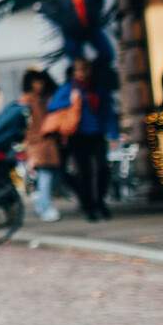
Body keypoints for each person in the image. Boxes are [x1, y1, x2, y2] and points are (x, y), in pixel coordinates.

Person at [49, 57, 117, 221]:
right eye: (79, 70)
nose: (82, 74)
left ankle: (100, 202)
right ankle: (89, 207)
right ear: (74, 73)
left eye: (85, 70)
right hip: (77, 135)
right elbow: (52, 106)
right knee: (84, 172)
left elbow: (108, 111)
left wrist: (113, 133)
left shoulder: (97, 89)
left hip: (97, 133)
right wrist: (71, 101)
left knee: (102, 168)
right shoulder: (69, 88)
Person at [20, 69, 62, 222]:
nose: (40, 85)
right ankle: (44, 206)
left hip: (43, 141)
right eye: (37, 82)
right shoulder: (29, 101)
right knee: (46, 175)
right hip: (38, 142)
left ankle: (41, 203)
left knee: (46, 175)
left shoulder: (43, 99)